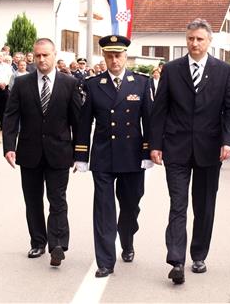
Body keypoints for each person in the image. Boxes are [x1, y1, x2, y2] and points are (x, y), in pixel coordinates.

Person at [150, 18, 230, 285]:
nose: (195, 43)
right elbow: (159, 109)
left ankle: (198, 254)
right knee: (178, 204)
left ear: (209, 41)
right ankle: (176, 259)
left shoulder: (224, 71)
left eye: (200, 39)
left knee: (204, 206)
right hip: (176, 148)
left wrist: (228, 141)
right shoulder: (172, 70)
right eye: (191, 39)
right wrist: (155, 144)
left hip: (210, 149)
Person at [75, 35, 152, 278]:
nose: (114, 60)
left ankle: (127, 239)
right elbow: (83, 123)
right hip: (103, 155)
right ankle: (106, 261)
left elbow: (149, 121)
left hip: (132, 156)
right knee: (104, 209)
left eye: (118, 55)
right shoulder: (92, 84)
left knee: (130, 206)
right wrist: (81, 154)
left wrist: (149, 151)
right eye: (109, 56)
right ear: (104, 57)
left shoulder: (141, 83)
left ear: (125, 57)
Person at [3, 38, 81, 267]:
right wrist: (9, 146)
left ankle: (58, 244)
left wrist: (79, 152)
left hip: (59, 151)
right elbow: (10, 116)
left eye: (45, 55)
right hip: (29, 152)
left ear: (54, 55)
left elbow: (77, 120)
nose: (41, 59)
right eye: (37, 55)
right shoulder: (22, 83)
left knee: (57, 199)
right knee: (33, 200)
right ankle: (38, 241)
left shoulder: (69, 83)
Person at [0, 51, 13, 130]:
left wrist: (5, 83)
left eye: (1, 56)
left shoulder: (7, 66)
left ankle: (3, 125)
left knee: (5, 107)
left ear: (3, 57)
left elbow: (10, 76)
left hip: (5, 88)